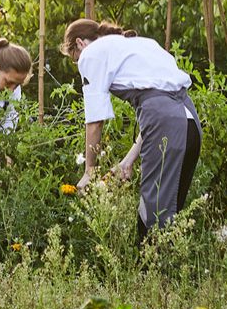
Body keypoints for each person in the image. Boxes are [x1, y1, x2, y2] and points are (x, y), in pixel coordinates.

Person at [62, 18, 201, 241]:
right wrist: (127, 161)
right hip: (190, 122)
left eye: (74, 58)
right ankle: (170, 271)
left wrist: (89, 170)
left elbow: (95, 121)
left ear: (79, 43)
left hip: (164, 121)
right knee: (172, 209)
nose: (79, 63)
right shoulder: (141, 44)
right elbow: (159, 112)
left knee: (153, 210)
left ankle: (149, 272)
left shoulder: (91, 53)